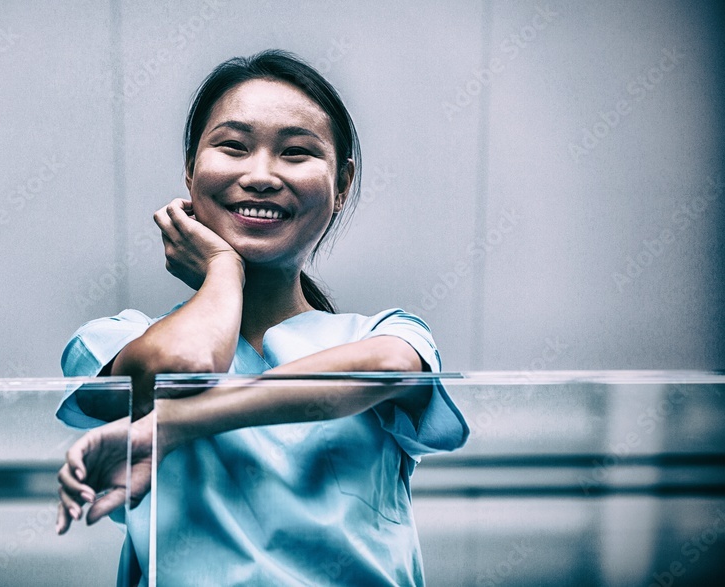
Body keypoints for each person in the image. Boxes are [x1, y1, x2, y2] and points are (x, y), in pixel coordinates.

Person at [54, 49, 469, 586]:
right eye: (233, 146)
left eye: (296, 152)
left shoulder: (385, 335)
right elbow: (191, 362)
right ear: (190, 170)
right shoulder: (116, 339)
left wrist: (174, 426)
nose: (262, 175)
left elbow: (390, 365)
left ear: (341, 185)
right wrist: (223, 269)